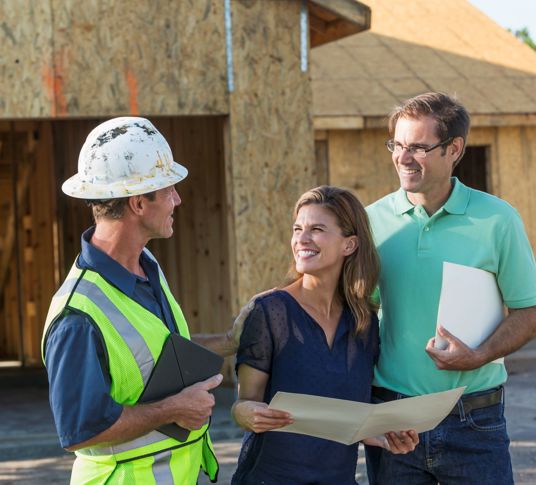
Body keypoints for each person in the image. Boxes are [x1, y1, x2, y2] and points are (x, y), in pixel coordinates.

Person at [41, 117, 240, 484]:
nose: (177, 200)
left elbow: (159, 353)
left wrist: (229, 342)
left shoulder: (146, 266)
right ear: (138, 203)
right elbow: (80, 430)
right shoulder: (77, 315)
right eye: (168, 190)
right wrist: (174, 410)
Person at [365, 92, 536, 484]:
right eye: (398, 145)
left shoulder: (497, 220)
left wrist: (479, 355)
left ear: (454, 149)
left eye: (419, 148)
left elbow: (529, 310)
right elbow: (355, 311)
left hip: (474, 417)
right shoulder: (370, 221)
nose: (403, 158)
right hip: (395, 418)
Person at [231, 186, 419, 485]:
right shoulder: (270, 312)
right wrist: (246, 413)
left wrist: (380, 430)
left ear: (350, 245)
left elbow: (347, 408)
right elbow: (243, 404)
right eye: (297, 229)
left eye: (316, 229)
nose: (301, 239)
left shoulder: (364, 321)